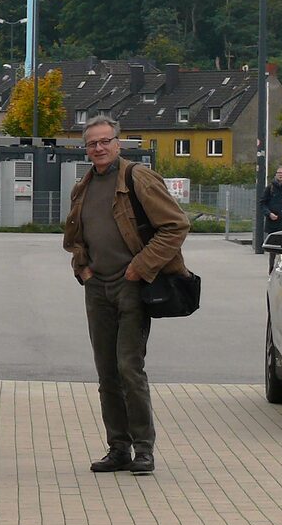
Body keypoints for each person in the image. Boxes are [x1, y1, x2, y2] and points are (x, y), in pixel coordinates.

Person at [61, 116, 189, 476]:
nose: (99, 148)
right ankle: (118, 447)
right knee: (106, 373)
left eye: (105, 142)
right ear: (85, 149)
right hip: (97, 287)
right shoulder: (83, 187)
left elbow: (176, 225)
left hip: (133, 285)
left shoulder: (137, 178)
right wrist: (82, 268)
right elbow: (74, 237)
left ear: (118, 144)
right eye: (92, 143)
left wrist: (141, 267)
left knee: (128, 368)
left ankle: (143, 450)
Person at [261, 165, 282, 233]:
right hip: (272, 224)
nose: (280, 175)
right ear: (276, 175)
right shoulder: (270, 188)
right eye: (279, 173)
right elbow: (262, 203)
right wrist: (269, 213)